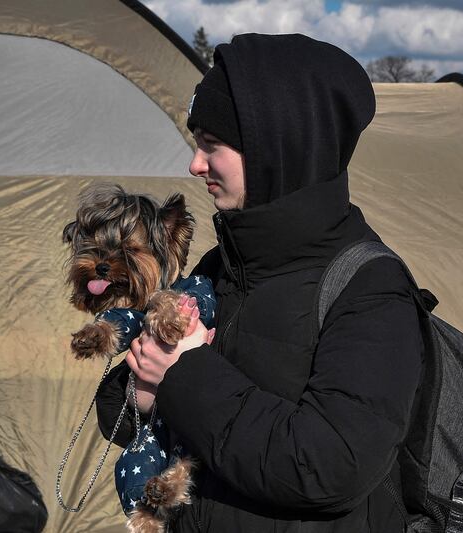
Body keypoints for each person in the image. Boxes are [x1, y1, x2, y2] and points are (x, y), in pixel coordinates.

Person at [98, 33, 423, 532]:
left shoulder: (369, 288)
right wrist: (141, 394)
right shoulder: (224, 266)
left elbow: (326, 466)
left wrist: (181, 375)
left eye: (213, 145)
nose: (195, 164)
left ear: (277, 150)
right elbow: (119, 411)